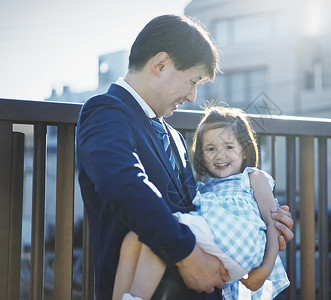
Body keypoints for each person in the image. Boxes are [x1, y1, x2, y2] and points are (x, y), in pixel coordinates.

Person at [76, 14, 294, 300]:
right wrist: (187, 253)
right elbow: (124, 184)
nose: (192, 96)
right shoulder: (105, 110)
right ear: (161, 64)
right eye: (192, 81)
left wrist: (261, 218)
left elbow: (198, 210)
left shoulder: (174, 137)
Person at [114, 106, 290, 300]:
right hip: (222, 248)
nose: (220, 155)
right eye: (211, 149)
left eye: (229, 147)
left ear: (245, 151)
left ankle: (137, 297)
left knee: (162, 233)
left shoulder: (253, 177)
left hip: (238, 243)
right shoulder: (206, 189)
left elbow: (274, 221)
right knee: (134, 238)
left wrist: (266, 267)